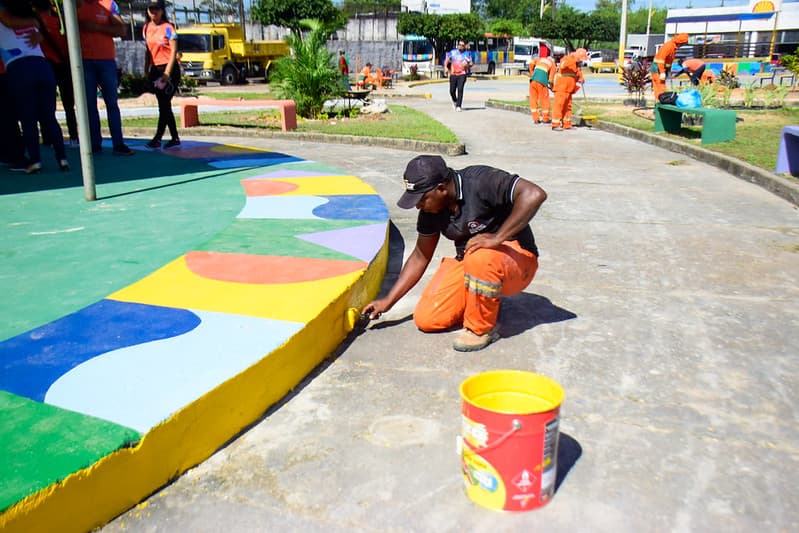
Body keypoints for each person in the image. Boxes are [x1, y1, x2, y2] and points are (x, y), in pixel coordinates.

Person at [362, 155, 547, 352]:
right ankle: (484, 300)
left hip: (518, 262)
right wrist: (387, 301)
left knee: (481, 256)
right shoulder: (430, 211)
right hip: (473, 262)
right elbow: (420, 256)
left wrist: (497, 238)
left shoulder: (480, 180)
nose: (418, 206)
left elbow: (534, 194)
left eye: (422, 199)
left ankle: (481, 329)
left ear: (441, 188)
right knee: (428, 319)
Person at [0, 0, 68, 173]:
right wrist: (35, 23)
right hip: (42, 66)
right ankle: (62, 159)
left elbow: (7, 21)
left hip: (19, 67)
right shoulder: (33, 21)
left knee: (28, 118)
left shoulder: (6, 19)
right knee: (48, 117)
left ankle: (35, 160)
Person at [77, 0, 134, 156]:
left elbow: (122, 30)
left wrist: (98, 28)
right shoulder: (75, 5)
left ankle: (118, 143)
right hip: (83, 61)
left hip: (105, 60)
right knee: (89, 105)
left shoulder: (109, 4)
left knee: (112, 103)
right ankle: (94, 144)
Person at [33, 0, 77, 145]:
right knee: (68, 104)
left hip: (46, 64)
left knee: (47, 104)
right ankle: (74, 135)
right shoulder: (58, 21)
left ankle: (48, 137)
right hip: (62, 64)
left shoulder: (34, 23)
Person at [143, 0, 180, 149]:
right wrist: (146, 68)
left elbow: (173, 52)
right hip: (155, 69)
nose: (154, 12)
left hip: (169, 69)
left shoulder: (168, 28)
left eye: (157, 9)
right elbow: (147, 50)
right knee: (164, 105)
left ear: (162, 11)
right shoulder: (146, 28)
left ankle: (158, 137)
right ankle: (175, 137)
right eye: (151, 9)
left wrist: (167, 73)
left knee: (164, 104)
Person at [551, 48, 587, 131]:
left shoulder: (577, 65)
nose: (581, 61)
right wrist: (574, 60)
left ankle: (566, 123)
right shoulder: (567, 59)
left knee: (568, 107)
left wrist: (581, 79)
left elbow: (576, 73)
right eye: (580, 59)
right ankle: (555, 124)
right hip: (561, 87)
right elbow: (563, 65)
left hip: (569, 88)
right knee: (559, 105)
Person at [650, 33, 689, 101]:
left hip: (662, 69)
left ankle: (660, 102)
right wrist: (662, 72)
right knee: (660, 88)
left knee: (661, 87)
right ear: (680, 42)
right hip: (658, 68)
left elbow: (668, 61)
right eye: (683, 44)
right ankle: (660, 103)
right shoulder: (669, 46)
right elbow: (660, 60)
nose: (682, 45)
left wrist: (668, 71)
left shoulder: (673, 47)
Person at [445, 39, 473, 112]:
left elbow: (471, 63)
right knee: (452, 91)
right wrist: (445, 67)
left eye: (462, 45)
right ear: (457, 45)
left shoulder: (467, 54)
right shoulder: (453, 52)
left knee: (460, 89)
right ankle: (455, 101)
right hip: (453, 73)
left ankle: (458, 105)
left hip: (462, 74)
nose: (460, 46)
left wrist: (468, 64)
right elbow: (447, 60)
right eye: (459, 45)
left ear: (465, 46)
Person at [528, 50, 555, 124]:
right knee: (544, 100)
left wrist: (532, 74)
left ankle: (536, 119)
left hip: (533, 81)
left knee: (533, 99)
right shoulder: (553, 64)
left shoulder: (540, 59)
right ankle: (545, 118)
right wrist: (553, 88)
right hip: (542, 82)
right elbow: (551, 80)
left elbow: (531, 63)